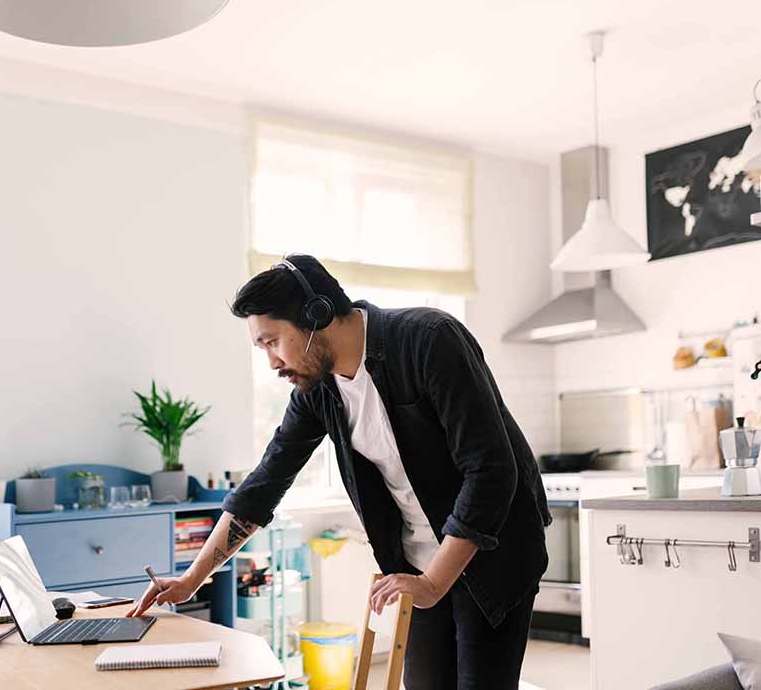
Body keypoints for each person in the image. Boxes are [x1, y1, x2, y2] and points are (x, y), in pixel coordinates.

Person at [129, 254, 550, 689]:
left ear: (316, 315)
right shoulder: (319, 390)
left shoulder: (428, 340)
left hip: (490, 555)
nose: (273, 362)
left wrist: (433, 582)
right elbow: (264, 484)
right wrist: (191, 579)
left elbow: (491, 471)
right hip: (421, 564)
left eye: (272, 341)